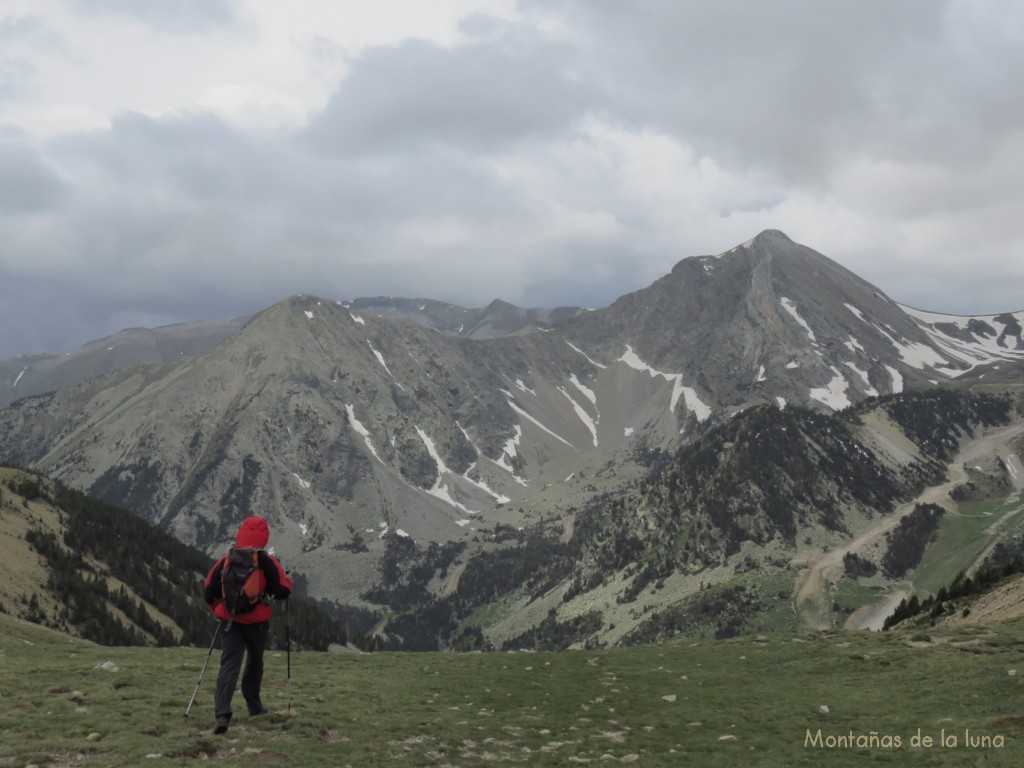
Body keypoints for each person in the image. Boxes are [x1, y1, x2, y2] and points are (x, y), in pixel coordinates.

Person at [204, 516, 292, 735]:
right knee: (255, 660)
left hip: (229, 621)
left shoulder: (227, 557)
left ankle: (222, 714)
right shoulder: (266, 560)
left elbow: (208, 590)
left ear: (241, 533)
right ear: (264, 536)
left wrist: (220, 610)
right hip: (257, 622)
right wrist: (289, 580)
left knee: (229, 664)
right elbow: (282, 591)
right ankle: (254, 706)